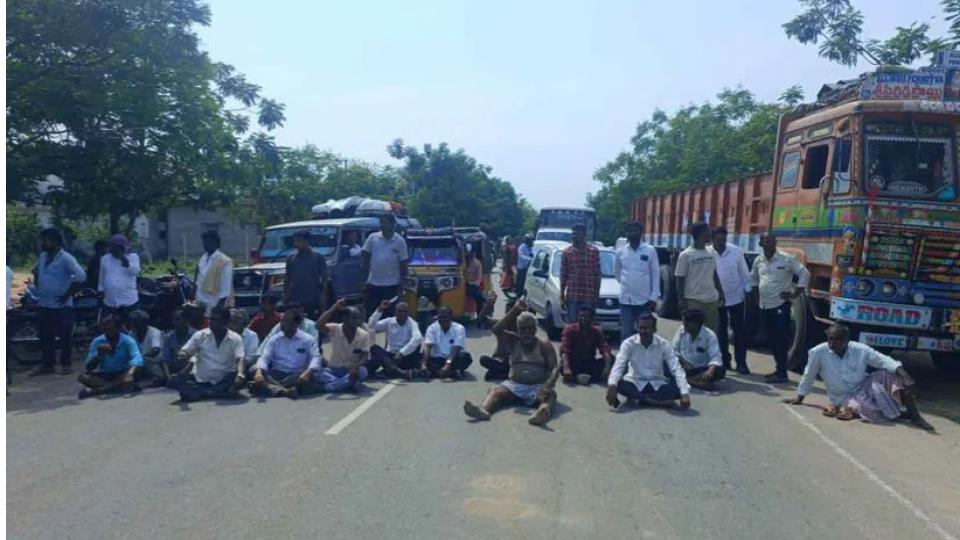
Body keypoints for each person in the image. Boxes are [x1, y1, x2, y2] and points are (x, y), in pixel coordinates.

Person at [784, 324, 933, 430]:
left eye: (837, 340)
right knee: (865, 409)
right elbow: (809, 374)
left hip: (864, 385)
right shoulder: (818, 352)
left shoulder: (860, 349)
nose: (832, 343)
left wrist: (904, 374)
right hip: (843, 396)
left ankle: (915, 416)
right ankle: (898, 414)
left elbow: (882, 360)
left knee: (891, 376)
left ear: (847, 341)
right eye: (830, 339)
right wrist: (799, 398)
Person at [463, 300, 560, 426]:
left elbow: (555, 368)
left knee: (550, 396)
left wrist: (549, 384)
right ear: (518, 330)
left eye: (530, 328)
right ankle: (483, 410)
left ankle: (542, 414)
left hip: (537, 385)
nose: (527, 332)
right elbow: (496, 329)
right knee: (495, 391)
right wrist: (514, 310)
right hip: (515, 385)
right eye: (523, 329)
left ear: (535, 330)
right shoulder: (513, 341)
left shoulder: (544, 344)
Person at [751, 233, 810, 384]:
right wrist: (757, 297)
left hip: (780, 305)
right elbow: (754, 280)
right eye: (767, 241)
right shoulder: (758, 261)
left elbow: (804, 273)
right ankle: (778, 370)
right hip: (765, 305)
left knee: (780, 340)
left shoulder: (786, 259)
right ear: (761, 244)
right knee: (770, 340)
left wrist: (796, 293)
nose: (770, 244)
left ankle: (782, 373)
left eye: (772, 241)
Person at [31, 228, 87, 376]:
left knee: (64, 337)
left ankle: (66, 365)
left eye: (45, 240)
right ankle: (47, 365)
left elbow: (81, 276)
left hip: (62, 306)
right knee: (45, 336)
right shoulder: (42, 256)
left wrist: (68, 294)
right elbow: (36, 271)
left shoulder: (66, 258)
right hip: (44, 303)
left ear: (55, 242)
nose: (42, 243)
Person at [606, 314, 691, 410]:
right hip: (635, 382)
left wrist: (684, 394)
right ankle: (656, 402)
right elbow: (619, 365)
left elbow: (676, 368)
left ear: (654, 329)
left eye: (647, 328)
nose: (643, 331)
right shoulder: (628, 343)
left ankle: (641, 399)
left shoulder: (663, 344)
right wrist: (612, 385)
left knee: (679, 388)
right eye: (641, 328)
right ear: (637, 328)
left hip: (657, 384)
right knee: (618, 383)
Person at [168, 307, 246, 402]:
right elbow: (186, 351)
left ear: (226, 322)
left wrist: (240, 374)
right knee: (174, 380)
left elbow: (240, 359)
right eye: (211, 319)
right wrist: (182, 356)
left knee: (239, 379)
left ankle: (203, 393)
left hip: (224, 379)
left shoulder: (235, 338)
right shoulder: (200, 335)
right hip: (202, 380)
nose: (212, 323)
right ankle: (217, 393)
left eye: (216, 320)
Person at [249, 309, 323, 398]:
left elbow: (316, 358)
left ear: (296, 324)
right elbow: (265, 357)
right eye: (282, 321)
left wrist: (308, 373)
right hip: (277, 373)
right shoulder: (275, 339)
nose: (282, 324)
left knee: (310, 377)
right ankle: (285, 391)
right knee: (256, 371)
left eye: (286, 321)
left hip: (297, 374)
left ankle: (272, 388)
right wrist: (259, 372)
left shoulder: (308, 340)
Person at [709, 227, 752, 374]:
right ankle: (725, 361)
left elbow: (745, 273)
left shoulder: (736, 252)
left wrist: (748, 291)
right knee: (720, 332)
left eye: (723, 240)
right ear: (712, 239)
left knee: (739, 332)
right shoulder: (707, 253)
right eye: (718, 240)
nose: (721, 243)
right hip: (716, 299)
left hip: (736, 298)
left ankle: (741, 363)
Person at [614, 221, 660, 343]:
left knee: (645, 333)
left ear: (641, 233)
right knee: (626, 333)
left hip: (644, 301)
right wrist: (628, 283)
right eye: (630, 231)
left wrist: (654, 297)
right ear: (626, 234)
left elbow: (655, 274)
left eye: (636, 230)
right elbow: (617, 274)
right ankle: (625, 361)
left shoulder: (650, 250)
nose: (633, 233)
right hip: (626, 301)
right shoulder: (620, 251)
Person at [674, 222, 724, 335]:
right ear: (699, 234)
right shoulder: (685, 255)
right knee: (691, 334)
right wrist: (681, 300)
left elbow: (714, 274)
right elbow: (679, 278)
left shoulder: (711, 252)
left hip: (711, 301)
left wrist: (721, 292)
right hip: (693, 301)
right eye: (707, 233)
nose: (710, 235)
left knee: (711, 335)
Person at [77, 316, 143, 399]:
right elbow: (89, 367)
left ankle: (96, 391)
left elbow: (138, 359)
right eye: (105, 330)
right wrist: (99, 355)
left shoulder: (128, 340)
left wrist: (129, 373)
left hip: (123, 371)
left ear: (118, 328)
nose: (108, 332)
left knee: (136, 372)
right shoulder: (97, 341)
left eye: (111, 329)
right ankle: (119, 387)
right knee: (83, 377)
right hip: (106, 373)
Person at [315, 300, 371, 393]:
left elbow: (365, 356)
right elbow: (318, 325)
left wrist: (356, 367)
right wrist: (334, 307)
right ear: (344, 318)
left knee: (363, 372)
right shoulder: (335, 329)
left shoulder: (363, 334)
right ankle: (348, 384)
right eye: (354, 318)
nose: (358, 321)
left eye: (360, 318)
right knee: (317, 373)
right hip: (334, 369)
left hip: (351, 370)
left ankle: (329, 387)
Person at [361, 214, 409, 318]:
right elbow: (365, 258)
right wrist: (364, 281)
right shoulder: (372, 238)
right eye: (381, 223)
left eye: (384, 223)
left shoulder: (400, 241)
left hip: (391, 285)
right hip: (373, 284)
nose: (382, 225)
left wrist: (401, 286)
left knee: (389, 316)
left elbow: (403, 265)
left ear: (392, 224)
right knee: (371, 314)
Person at [366, 299, 424, 379]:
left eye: (404, 311)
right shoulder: (389, 321)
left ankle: (390, 371)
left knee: (417, 344)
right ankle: (400, 373)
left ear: (408, 313)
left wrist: (401, 353)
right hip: (391, 357)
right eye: (400, 311)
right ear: (395, 312)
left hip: (405, 356)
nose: (402, 313)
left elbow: (417, 338)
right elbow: (370, 327)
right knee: (374, 348)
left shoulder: (412, 323)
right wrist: (380, 310)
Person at [672, 309, 724, 389]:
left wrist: (710, 371)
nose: (683, 324)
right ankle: (695, 383)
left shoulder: (709, 335)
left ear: (696, 324)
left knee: (719, 371)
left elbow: (716, 356)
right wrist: (684, 362)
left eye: (686, 322)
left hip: (699, 370)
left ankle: (686, 381)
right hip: (682, 366)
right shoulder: (682, 330)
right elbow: (673, 350)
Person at [560, 306, 613, 385]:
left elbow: (604, 349)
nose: (583, 319)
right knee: (562, 366)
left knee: (612, 359)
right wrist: (566, 368)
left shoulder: (597, 331)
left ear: (592, 319)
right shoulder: (570, 329)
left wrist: (607, 368)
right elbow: (565, 350)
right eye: (581, 316)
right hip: (573, 362)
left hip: (589, 363)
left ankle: (585, 378)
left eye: (586, 317)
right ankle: (576, 376)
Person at [560, 223, 601, 323]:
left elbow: (597, 275)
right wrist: (561, 295)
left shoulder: (593, 251)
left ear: (584, 235)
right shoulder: (567, 252)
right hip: (572, 295)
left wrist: (596, 296)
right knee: (573, 325)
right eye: (573, 234)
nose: (575, 236)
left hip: (588, 296)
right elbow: (563, 275)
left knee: (587, 325)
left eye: (578, 234)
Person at [284, 230, 328, 319]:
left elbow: (324, 278)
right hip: (296, 298)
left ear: (307, 241)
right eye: (295, 241)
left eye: (299, 241)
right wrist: (286, 294)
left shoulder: (318, 257)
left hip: (313, 298)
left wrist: (323, 295)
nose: (296, 244)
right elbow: (287, 278)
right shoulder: (291, 258)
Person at [98, 234, 141, 321]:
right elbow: (102, 276)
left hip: (129, 301)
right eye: (115, 247)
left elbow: (136, 272)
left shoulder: (133, 257)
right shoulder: (105, 258)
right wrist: (101, 290)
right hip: (110, 301)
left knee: (131, 327)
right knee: (111, 327)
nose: (117, 250)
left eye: (120, 247)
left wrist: (126, 262)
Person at [423, 306, 473, 379]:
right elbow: (428, 347)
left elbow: (456, 349)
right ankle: (452, 373)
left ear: (450, 317)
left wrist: (448, 364)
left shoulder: (459, 328)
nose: (443, 319)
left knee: (465, 357)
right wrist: (424, 363)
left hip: (453, 359)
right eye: (440, 317)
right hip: (437, 359)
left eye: (445, 317)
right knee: (421, 357)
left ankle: (438, 373)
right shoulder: (432, 328)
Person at [195, 230, 234, 317]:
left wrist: (219, 308)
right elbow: (198, 281)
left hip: (214, 304)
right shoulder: (202, 259)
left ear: (216, 243)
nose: (206, 244)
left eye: (209, 242)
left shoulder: (225, 261)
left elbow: (226, 288)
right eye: (204, 242)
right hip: (200, 303)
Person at [159, 309, 197, 383]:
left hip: (190, 367)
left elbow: (196, 358)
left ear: (187, 320)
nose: (174, 322)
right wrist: (168, 375)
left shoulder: (196, 335)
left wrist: (184, 372)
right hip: (174, 366)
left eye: (177, 319)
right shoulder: (168, 336)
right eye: (173, 320)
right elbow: (164, 358)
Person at [128, 309, 163, 386]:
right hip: (138, 364)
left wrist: (140, 358)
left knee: (145, 361)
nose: (132, 325)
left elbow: (155, 350)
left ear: (142, 323)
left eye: (135, 323)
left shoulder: (154, 332)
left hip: (153, 362)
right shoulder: (131, 333)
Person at [465, 250, 487, 321]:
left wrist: (474, 283)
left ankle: (480, 316)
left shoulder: (477, 263)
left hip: (473, 284)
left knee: (479, 298)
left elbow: (479, 277)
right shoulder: (463, 262)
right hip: (464, 283)